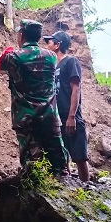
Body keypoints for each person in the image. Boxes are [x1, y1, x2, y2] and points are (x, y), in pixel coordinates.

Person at [0, 19, 68, 175]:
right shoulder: (51, 56)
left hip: (26, 118)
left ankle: (34, 193)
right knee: (58, 160)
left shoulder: (14, 57)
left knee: (31, 162)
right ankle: (64, 191)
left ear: (21, 35)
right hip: (49, 116)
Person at [44, 30, 90, 182]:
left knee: (79, 156)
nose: (47, 45)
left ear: (57, 45)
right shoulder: (51, 66)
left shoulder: (71, 62)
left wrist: (72, 116)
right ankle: (69, 189)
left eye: (49, 42)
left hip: (70, 116)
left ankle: (87, 189)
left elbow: (76, 88)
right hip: (57, 118)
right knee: (64, 157)